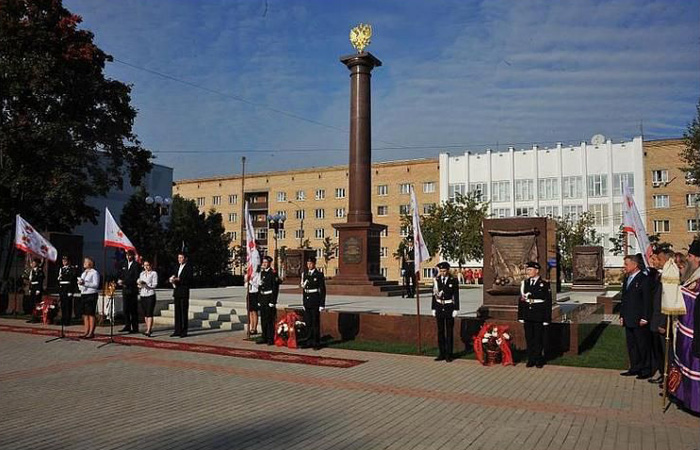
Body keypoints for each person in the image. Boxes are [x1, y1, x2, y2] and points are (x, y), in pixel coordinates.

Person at [671, 240, 700, 413]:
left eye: (690, 256)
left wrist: (674, 290)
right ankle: (686, 399)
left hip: (695, 334)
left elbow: (692, 297)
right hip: (688, 334)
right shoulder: (693, 276)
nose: (687, 259)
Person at [619, 254, 652, 379]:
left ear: (635, 264)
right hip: (628, 318)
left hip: (639, 319)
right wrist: (622, 315)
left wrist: (645, 317)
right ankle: (634, 367)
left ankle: (645, 369)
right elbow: (624, 299)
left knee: (642, 345)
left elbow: (647, 300)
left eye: (626, 264)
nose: (624, 267)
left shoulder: (644, 279)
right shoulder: (627, 279)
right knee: (632, 345)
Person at [517, 261, 552, 368]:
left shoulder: (544, 283)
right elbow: (521, 300)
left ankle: (538, 359)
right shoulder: (525, 283)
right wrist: (521, 316)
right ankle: (530, 359)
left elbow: (548, 302)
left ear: (537, 271)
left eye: (530, 270)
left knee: (538, 338)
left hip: (539, 314)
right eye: (527, 270)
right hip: (528, 314)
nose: (528, 272)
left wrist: (547, 318)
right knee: (529, 337)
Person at [431, 261, 460, 362]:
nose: (442, 273)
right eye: (441, 271)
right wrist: (433, 308)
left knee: (449, 332)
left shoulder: (453, 280)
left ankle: (449, 355)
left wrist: (456, 308)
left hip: (449, 307)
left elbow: (456, 295)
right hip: (439, 306)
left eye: (444, 271)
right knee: (440, 332)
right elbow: (434, 295)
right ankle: (441, 354)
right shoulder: (437, 280)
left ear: (448, 270)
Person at [301, 256, 326, 349]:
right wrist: (303, 302)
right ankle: (308, 341)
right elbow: (304, 290)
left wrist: (322, 304)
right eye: (307, 264)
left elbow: (322, 290)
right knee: (308, 322)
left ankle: (316, 342)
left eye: (310, 263)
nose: (309, 265)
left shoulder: (319, 275)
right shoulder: (305, 274)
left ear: (314, 264)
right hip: (307, 302)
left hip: (315, 300)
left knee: (315, 322)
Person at [257, 256, 280, 345]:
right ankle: (264, 336)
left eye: (266, 262)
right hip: (263, 298)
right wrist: (259, 299)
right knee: (263, 319)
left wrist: (273, 301)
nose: (264, 264)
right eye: (263, 262)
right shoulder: (262, 273)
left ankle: (270, 338)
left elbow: (275, 288)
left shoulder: (273, 273)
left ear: (269, 263)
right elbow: (260, 287)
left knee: (270, 320)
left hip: (269, 298)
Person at [169, 252, 193, 338]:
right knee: (177, 312)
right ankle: (177, 330)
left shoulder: (189, 267)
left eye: (181, 257)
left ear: (185, 258)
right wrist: (172, 279)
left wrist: (179, 279)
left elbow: (189, 279)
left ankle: (184, 331)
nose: (179, 259)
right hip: (177, 291)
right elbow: (174, 276)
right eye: (178, 257)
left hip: (184, 291)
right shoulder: (176, 267)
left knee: (183, 312)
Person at [117, 250, 141, 334]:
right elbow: (121, 274)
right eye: (127, 255)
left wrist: (126, 282)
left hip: (132, 290)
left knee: (133, 309)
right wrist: (120, 280)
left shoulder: (136, 265)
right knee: (125, 309)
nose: (128, 257)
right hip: (125, 290)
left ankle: (135, 327)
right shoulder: (124, 264)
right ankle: (127, 325)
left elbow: (135, 278)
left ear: (133, 256)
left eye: (130, 255)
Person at [77, 257, 100, 338]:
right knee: (85, 314)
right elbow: (82, 284)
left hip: (91, 295)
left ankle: (91, 332)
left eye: (85, 262)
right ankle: (86, 331)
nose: (84, 263)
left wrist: (85, 283)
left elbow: (96, 285)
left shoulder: (94, 273)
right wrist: (80, 284)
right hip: (84, 294)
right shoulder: (83, 273)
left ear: (90, 263)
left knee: (90, 313)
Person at [138, 260, 158, 337]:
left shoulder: (154, 273)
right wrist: (140, 285)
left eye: (148, 265)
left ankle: (149, 330)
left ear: (151, 266)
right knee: (145, 313)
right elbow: (140, 283)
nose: (146, 267)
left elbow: (155, 284)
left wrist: (147, 285)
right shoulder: (142, 274)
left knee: (149, 313)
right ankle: (147, 328)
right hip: (143, 294)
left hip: (150, 294)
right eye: (145, 265)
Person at [57, 255, 78, 327]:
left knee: (68, 305)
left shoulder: (72, 269)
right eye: (63, 261)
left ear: (69, 261)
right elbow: (59, 279)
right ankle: (63, 318)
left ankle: (67, 320)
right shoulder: (61, 269)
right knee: (63, 305)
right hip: (62, 288)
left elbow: (72, 280)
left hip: (68, 288)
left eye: (65, 261)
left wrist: (71, 291)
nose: (64, 262)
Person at [25, 258, 44, 322]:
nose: (32, 264)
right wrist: (30, 289)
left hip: (37, 289)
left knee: (37, 304)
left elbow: (40, 281)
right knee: (32, 303)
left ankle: (36, 317)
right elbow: (31, 281)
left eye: (34, 263)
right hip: (33, 288)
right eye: (32, 263)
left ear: (37, 264)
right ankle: (33, 317)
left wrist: (38, 289)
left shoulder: (40, 271)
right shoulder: (32, 271)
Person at [247, 265, 261, 335]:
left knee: (254, 311)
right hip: (249, 293)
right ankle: (251, 327)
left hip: (255, 293)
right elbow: (246, 285)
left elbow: (258, 285)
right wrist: (246, 281)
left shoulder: (258, 274)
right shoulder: (249, 274)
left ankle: (254, 328)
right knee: (250, 311)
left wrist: (251, 281)